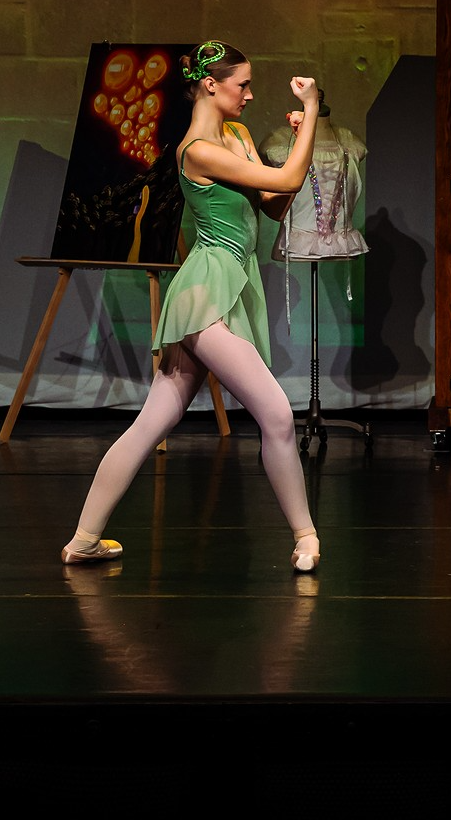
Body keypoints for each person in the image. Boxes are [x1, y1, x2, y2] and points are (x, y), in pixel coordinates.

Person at [61, 41, 326, 573]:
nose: (249, 95)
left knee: (152, 421)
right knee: (276, 414)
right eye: (242, 85)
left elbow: (275, 203)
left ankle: (83, 539)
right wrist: (313, 110)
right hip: (206, 292)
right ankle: (306, 537)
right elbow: (288, 179)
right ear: (210, 85)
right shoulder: (197, 150)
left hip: (228, 283)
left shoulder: (238, 136)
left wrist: (299, 139)